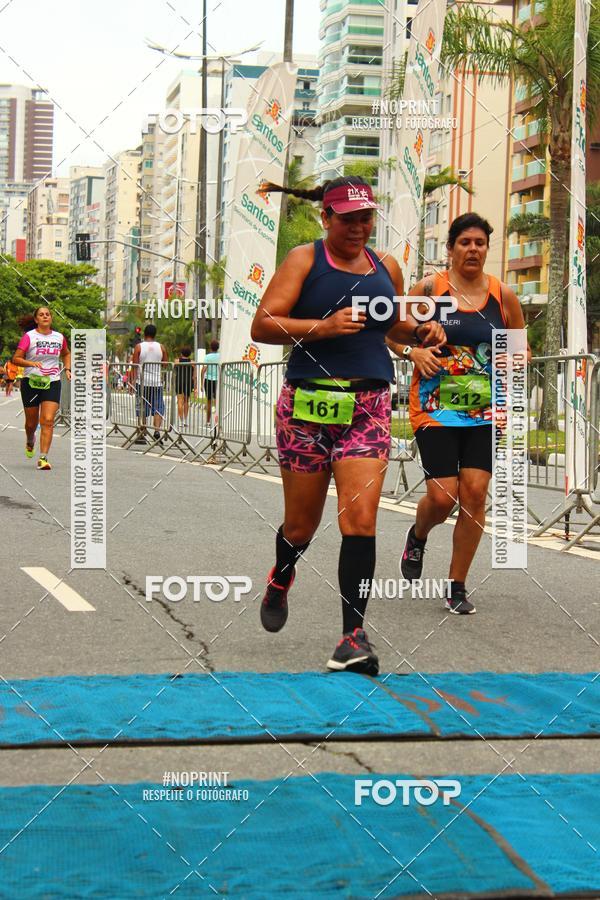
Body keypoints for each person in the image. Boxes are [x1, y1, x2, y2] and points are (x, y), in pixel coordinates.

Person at [251, 176, 446, 674]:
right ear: (327, 217)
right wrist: (322, 327)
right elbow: (263, 324)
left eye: (366, 218)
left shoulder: (387, 267)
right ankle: (282, 574)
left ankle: (352, 636)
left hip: (368, 405)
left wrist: (423, 330)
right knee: (301, 525)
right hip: (307, 407)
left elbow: (394, 326)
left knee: (359, 521)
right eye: (348, 218)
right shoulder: (305, 260)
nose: (359, 227)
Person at [387, 212, 531, 615]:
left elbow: (520, 347)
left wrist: (513, 361)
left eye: (480, 243)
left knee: (474, 494)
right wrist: (412, 350)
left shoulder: (503, 296)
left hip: (486, 411)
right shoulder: (430, 289)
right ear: (450, 249)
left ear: (487, 249)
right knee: (443, 495)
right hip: (435, 410)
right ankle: (418, 536)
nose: (473, 249)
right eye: (464, 242)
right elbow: (390, 332)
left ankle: (457, 584)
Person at [11, 306, 71, 470]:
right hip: (31, 382)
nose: (45, 316)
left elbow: (66, 353)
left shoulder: (59, 337)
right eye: (41, 315)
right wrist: (30, 363)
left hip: (51, 382)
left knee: (48, 420)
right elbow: (16, 358)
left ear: (51, 318)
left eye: (47, 314)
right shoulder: (29, 337)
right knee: (31, 423)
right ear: (36, 320)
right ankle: (30, 440)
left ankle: (43, 458)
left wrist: (67, 368)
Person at [130, 324, 168, 442]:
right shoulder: (161, 347)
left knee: (142, 407)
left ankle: (142, 433)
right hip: (156, 382)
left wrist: (131, 382)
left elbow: (135, 366)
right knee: (158, 407)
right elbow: (165, 364)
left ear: (144, 334)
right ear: (155, 334)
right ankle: (156, 431)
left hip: (142, 382)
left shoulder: (138, 347)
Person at [174, 345, 196, 430]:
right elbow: (194, 376)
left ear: (181, 352)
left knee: (180, 401)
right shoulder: (192, 362)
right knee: (186, 401)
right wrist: (195, 387)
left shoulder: (177, 361)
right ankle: (185, 421)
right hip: (188, 382)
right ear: (190, 353)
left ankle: (181, 421)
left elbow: (174, 372)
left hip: (179, 382)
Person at [201, 340, 220, 426]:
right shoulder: (221, 356)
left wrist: (201, 383)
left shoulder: (207, 357)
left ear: (210, 347)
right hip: (217, 381)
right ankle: (217, 422)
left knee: (208, 402)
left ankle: (208, 422)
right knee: (217, 402)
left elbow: (203, 370)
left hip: (208, 380)